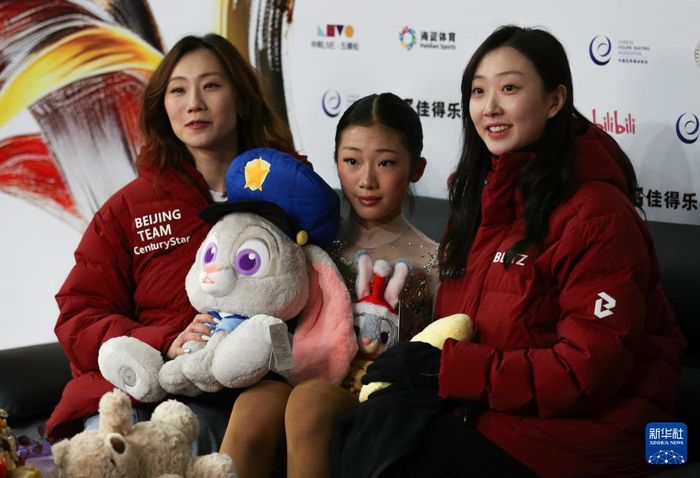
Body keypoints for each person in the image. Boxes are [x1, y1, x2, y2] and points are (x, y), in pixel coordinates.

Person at [331, 26, 687, 478]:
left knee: (398, 453)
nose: (490, 107)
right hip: (497, 417)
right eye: (479, 91)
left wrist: (444, 370)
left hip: (603, 435)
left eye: (510, 89)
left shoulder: (600, 214)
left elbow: (586, 372)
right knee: (357, 427)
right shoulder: (481, 200)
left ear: (555, 100)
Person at [46, 33, 296, 455]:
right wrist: (162, 339)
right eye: (178, 90)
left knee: (188, 439)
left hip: (226, 395)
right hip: (127, 390)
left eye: (211, 85)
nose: (194, 103)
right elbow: (79, 316)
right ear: (162, 107)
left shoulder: (286, 196)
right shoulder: (129, 206)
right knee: (110, 451)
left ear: (241, 98)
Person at [219, 92, 440, 478]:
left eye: (386, 163)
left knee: (310, 401)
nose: (366, 180)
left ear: (416, 168)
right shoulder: (305, 245)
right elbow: (275, 316)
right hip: (300, 377)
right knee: (256, 403)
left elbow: (438, 354)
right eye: (352, 161)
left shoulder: (433, 260)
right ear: (335, 161)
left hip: (380, 400)